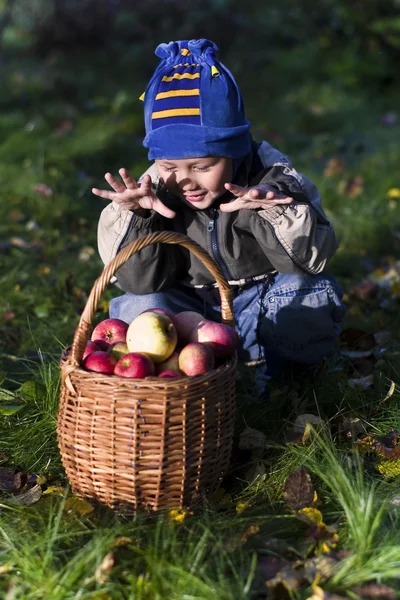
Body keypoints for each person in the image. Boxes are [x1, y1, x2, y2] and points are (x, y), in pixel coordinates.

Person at [93, 38, 346, 388]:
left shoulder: (271, 180)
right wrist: (138, 218)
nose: (186, 180)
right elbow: (138, 281)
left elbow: (309, 261)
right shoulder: (151, 193)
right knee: (141, 304)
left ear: (234, 151)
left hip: (261, 304)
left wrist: (269, 214)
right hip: (188, 318)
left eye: (203, 165)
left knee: (304, 290)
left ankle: (288, 380)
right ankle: (174, 390)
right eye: (170, 165)